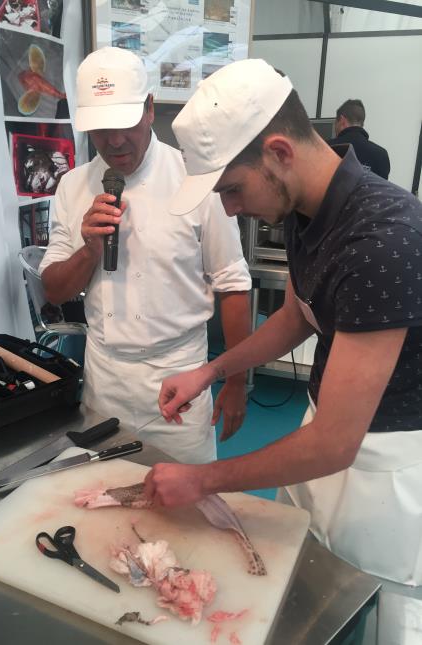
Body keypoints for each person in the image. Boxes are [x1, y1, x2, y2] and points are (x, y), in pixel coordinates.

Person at [143, 58, 422, 642]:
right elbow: (298, 315)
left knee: (370, 617)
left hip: (385, 466)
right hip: (326, 438)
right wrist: (213, 370)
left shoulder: (384, 241)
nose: (228, 208)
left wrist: (201, 480)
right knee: (305, 591)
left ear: (279, 152)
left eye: (232, 190)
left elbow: (333, 445)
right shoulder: (305, 209)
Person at [39, 47, 252, 464]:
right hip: (105, 379)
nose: (114, 140)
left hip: (181, 377)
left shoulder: (197, 181)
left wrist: (237, 381)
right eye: (100, 128)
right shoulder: (72, 186)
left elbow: (233, 284)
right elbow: (53, 289)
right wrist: (89, 249)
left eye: (125, 122)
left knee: (188, 509)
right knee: (104, 505)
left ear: (150, 108)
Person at [329, 98, 390, 179]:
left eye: (335, 123)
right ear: (362, 123)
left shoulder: (326, 148)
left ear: (342, 120)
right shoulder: (381, 155)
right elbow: (382, 189)